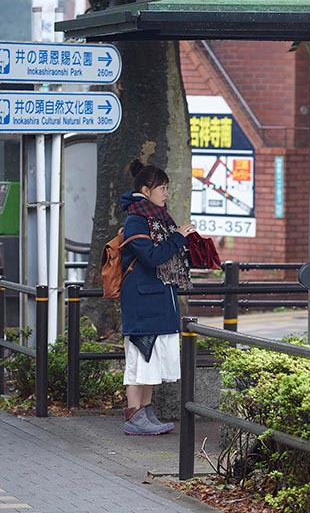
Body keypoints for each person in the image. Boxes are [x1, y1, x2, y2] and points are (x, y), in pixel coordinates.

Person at [118, 159, 196, 435]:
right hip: (142, 302)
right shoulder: (136, 221)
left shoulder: (156, 219)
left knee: (151, 360)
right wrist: (176, 238)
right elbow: (151, 256)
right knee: (140, 359)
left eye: (166, 188)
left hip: (157, 299)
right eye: (162, 188)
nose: (166, 193)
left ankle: (146, 412)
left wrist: (185, 241)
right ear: (145, 190)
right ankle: (134, 414)